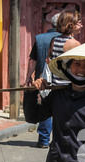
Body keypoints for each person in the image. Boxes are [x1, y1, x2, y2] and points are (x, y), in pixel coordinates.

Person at [24, 13, 61, 148]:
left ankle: (44, 140)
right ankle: (57, 140)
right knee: (59, 109)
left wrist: (28, 77)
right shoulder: (65, 40)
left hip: (42, 80)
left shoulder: (39, 38)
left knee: (45, 106)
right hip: (59, 81)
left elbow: (32, 60)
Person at [47, 8, 83, 85]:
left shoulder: (54, 40)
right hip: (68, 85)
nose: (81, 26)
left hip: (55, 84)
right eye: (79, 23)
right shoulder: (75, 44)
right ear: (71, 25)